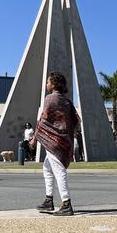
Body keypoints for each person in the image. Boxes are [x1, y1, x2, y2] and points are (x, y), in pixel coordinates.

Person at [33, 72, 79, 216]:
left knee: (59, 172)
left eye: (48, 82)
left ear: (53, 84)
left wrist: (35, 138)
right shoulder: (66, 101)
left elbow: (43, 120)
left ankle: (66, 203)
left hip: (53, 140)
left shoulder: (50, 98)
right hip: (63, 139)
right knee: (47, 168)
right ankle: (49, 200)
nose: (46, 84)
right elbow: (76, 120)